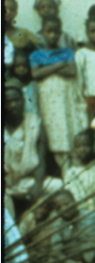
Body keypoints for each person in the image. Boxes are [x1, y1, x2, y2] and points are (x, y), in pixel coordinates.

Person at [30, 16, 88, 174]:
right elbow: (36, 74)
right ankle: (65, 174)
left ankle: (77, 171)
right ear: (42, 33)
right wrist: (58, 64)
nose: (53, 35)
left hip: (66, 98)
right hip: (49, 100)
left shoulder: (68, 51)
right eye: (49, 32)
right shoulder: (36, 55)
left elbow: (72, 71)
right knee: (56, 134)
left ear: (61, 33)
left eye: (56, 32)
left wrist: (47, 68)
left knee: (71, 128)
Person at [37, 188, 95, 263]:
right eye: (59, 207)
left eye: (66, 204)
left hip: (86, 259)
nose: (64, 209)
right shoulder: (58, 225)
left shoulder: (92, 216)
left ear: (75, 202)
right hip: (64, 260)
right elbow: (57, 252)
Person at [4, 80, 46, 220]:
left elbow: (41, 158)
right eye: (7, 101)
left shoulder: (34, 122)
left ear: (23, 101)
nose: (12, 105)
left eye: (16, 100)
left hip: (30, 181)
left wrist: (38, 186)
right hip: (5, 186)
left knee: (56, 187)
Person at [62, 128, 95, 216]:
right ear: (74, 150)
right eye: (79, 147)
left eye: (86, 145)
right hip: (81, 217)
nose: (83, 149)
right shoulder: (70, 174)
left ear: (92, 147)